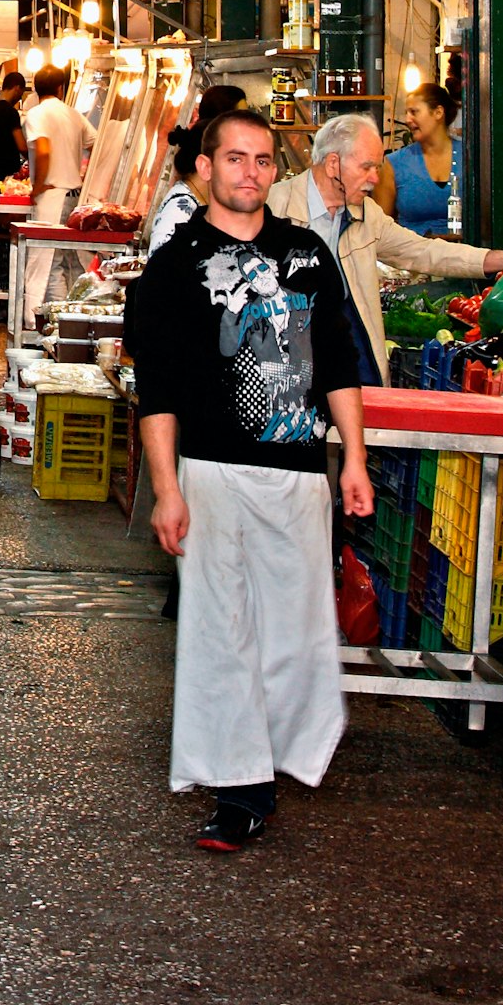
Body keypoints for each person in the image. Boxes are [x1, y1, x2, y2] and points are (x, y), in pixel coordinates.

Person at [126, 107, 375, 854]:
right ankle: (240, 790)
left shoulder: (305, 254)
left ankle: (281, 754)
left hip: (298, 472)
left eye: (263, 160)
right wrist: (166, 489)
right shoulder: (173, 267)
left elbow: (338, 364)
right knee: (220, 634)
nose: (249, 173)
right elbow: (158, 389)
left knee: (296, 631)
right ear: (205, 168)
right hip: (208, 471)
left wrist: (355, 457)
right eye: (234, 159)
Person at [281, 113, 503, 388]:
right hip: (291, 370)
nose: (375, 178)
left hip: (353, 364)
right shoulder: (272, 209)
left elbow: (422, 251)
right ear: (333, 164)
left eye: (377, 167)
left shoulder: (366, 214)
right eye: (366, 167)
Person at [141, 84, 251, 249]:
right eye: (232, 159)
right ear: (205, 164)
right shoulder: (180, 209)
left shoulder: (208, 201)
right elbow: (162, 269)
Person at [386, 84, 459, 241]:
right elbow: (380, 228)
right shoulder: (394, 164)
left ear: (438, 112)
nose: (407, 120)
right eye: (406, 113)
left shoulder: (469, 157)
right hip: (413, 258)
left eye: (414, 112)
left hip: (467, 255)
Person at [22, 64, 90, 221]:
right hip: (75, 196)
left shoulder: (36, 114)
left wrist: (37, 187)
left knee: (45, 244)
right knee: (67, 244)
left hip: (51, 197)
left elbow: (44, 151)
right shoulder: (74, 114)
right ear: (60, 88)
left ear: (36, 89)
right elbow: (97, 146)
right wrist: (86, 178)